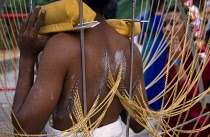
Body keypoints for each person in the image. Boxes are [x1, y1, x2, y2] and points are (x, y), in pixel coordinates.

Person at [11, 0, 147, 136]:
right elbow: (139, 123)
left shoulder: (62, 45)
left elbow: (23, 130)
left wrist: (27, 57)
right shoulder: (129, 48)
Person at [162, 5, 210, 137]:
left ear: (188, 27)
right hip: (172, 121)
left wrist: (178, 64)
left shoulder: (203, 58)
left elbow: (197, 98)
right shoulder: (172, 51)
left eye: (173, 24)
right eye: (164, 24)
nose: (166, 29)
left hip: (195, 125)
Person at [136, 0, 167, 111]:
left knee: (147, 71)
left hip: (148, 46)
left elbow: (139, 36)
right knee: (160, 72)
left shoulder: (145, 15)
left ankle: (145, 97)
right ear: (164, 4)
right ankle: (158, 99)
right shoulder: (165, 16)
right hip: (162, 46)